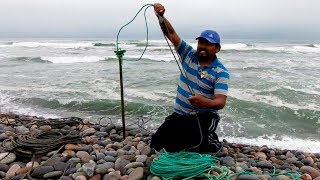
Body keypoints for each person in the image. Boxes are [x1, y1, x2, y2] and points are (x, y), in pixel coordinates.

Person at [150, 3, 230, 153]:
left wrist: (204, 102)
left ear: (217, 48)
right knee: (157, 144)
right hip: (180, 114)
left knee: (196, 146)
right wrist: (161, 17)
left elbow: (220, 102)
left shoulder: (221, 72)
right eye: (201, 42)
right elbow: (171, 33)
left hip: (204, 116)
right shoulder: (188, 54)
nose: (203, 46)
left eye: (208, 44)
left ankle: (213, 143)